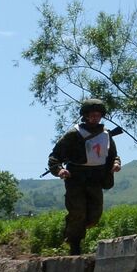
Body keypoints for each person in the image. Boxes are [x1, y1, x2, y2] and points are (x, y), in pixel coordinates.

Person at [48, 98, 121, 255]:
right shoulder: (73, 134)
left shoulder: (106, 135)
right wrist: (60, 170)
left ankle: (73, 227)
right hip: (76, 177)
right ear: (85, 116)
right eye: (92, 115)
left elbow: (113, 155)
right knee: (78, 211)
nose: (95, 118)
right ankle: (74, 244)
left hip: (96, 177)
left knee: (95, 215)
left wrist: (116, 164)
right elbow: (55, 157)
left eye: (98, 115)